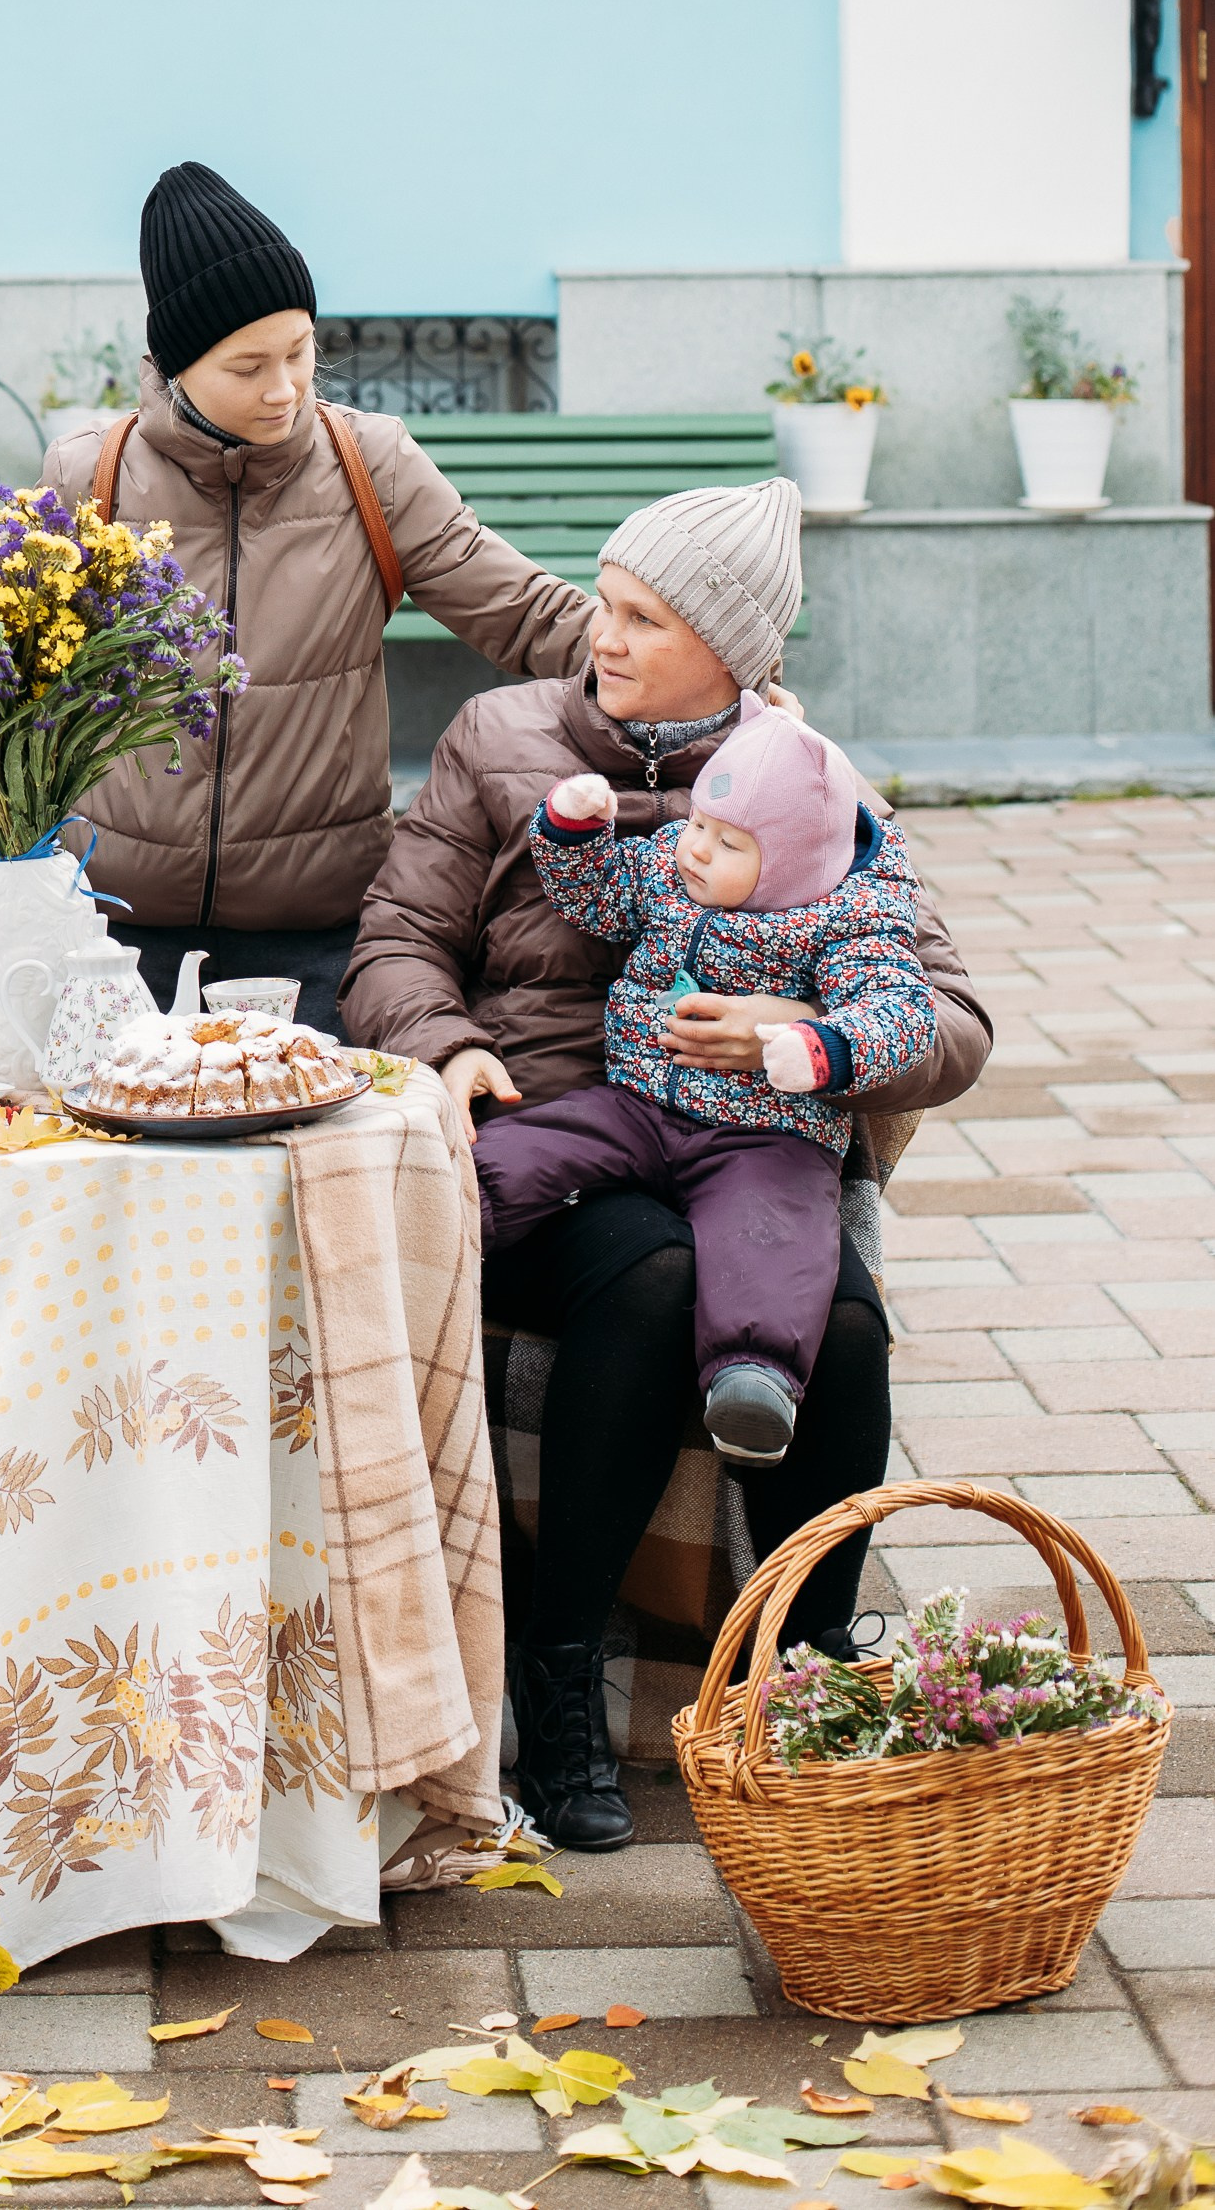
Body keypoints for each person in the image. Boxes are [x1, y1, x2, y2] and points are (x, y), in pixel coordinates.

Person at [341, 478, 992, 1854]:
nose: (602, 636)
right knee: (641, 1277)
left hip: (751, 1137)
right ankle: (558, 1682)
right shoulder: (498, 735)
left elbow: (946, 1017)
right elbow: (397, 933)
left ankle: (800, 1694)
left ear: (733, 652)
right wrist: (447, 1047)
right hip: (549, 1129)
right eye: (605, 602)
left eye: (643, 617)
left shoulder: (812, 788)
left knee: (843, 1329)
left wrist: (801, 1030)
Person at [38, 161, 594, 1025]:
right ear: (173, 367)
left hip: (318, 938)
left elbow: (522, 610)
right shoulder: (89, 475)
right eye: (247, 365)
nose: (285, 388)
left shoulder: (369, 463)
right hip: (115, 937)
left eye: (299, 351)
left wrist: (701, 663)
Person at [478, 701, 934, 1468]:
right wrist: (570, 830)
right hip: (638, 1098)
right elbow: (598, 896)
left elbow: (900, 1010)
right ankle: (449, 1207)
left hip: (764, 1134)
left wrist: (817, 1044)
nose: (694, 849)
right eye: (697, 824)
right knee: (537, 1143)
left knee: (771, 1233)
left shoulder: (843, 914)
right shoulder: (669, 863)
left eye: (726, 843)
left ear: (790, 862)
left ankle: (751, 1381)